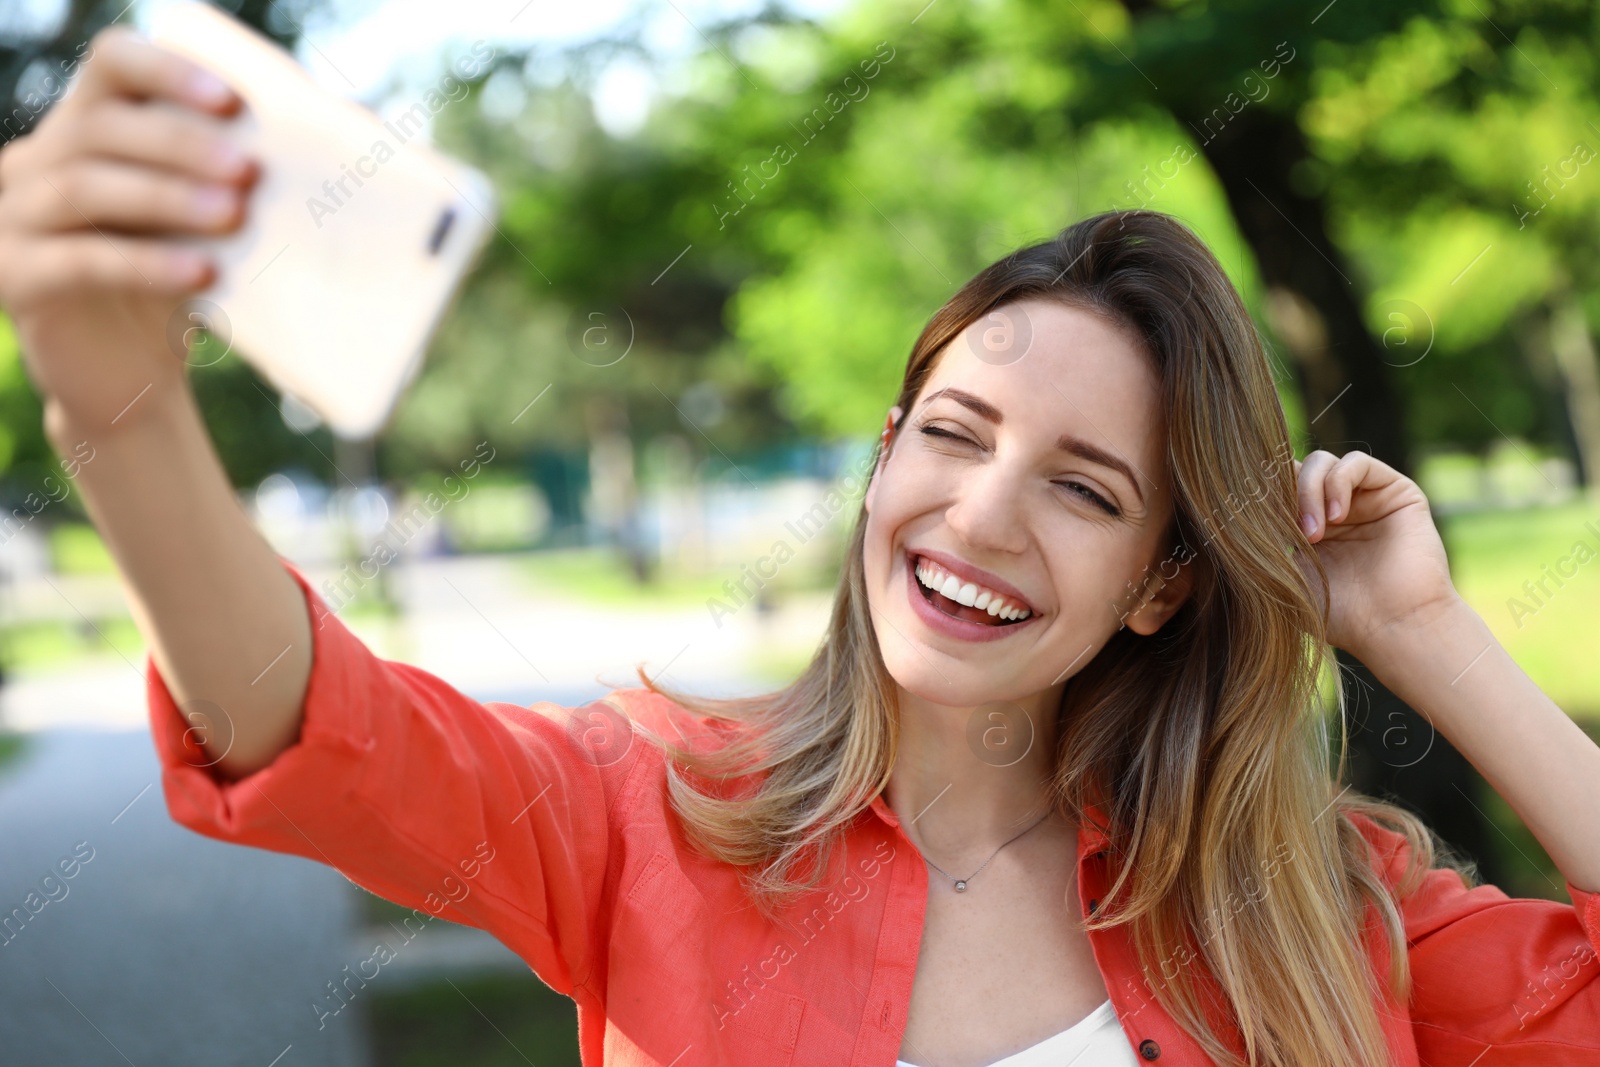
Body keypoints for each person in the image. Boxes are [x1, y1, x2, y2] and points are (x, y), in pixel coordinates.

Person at [1, 25, 1596, 1067]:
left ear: (1165, 583)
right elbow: (307, 722)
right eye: (954, 435)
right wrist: (118, 404)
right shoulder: (648, 815)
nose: (980, 514)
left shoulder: (1315, 903)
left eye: (1086, 491)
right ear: (883, 459)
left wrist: (1426, 634)